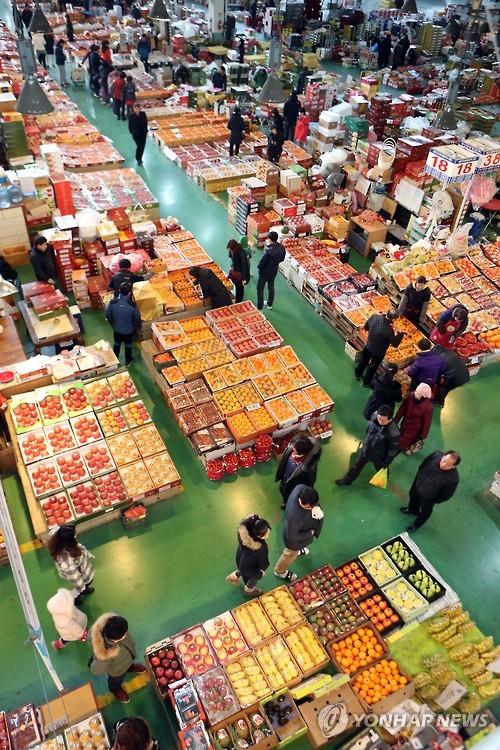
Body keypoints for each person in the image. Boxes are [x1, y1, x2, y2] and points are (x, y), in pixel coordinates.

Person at [335, 405, 400, 486]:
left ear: (390, 419)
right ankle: (347, 481)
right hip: (366, 450)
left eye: (383, 420)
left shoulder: (394, 433)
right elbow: (368, 429)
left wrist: (387, 462)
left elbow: (393, 450)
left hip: (378, 456)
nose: (380, 421)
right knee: (356, 466)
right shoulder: (375, 415)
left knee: (381, 468)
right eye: (379, 418)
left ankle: (385, 475)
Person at [90, 614, 146, 703]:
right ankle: (115, 689)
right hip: (117, 671)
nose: (127, 632)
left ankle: (130, 667)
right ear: (118, 638)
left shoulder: (116, 624)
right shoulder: (105, 654)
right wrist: (98, 660)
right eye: (125, 633)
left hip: (128, 657)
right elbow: (95, 670)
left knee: (128, 663)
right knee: (115, 681)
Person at [401, 451, 460, 532]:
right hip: (418, 484)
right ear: (443, 456)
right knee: (413, 496)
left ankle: (416, 525)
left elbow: (446, 495)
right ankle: (412, 510)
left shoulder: (453, 479)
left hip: (429, 497)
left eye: (448, 465)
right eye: (444, 460)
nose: (443, 465)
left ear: (453, 466)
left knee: (425, 511)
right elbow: (423, 464)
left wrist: (434, 500)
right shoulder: (435, 455)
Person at [274, 486, 324, 582]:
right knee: (289, 554)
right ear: (303, 503)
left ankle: (298, 551)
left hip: (301, 533)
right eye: (310, 507)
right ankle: (279, 571)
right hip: (294, 542)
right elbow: (292, 537)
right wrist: (310, 533)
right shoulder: (294, 517)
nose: (312, 508)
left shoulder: (300, 488)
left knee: (295, 551)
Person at [47, 525, 95, 605]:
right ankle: (76, 599)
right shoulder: (67, 561)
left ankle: (84, 589)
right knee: (80, 589)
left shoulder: (59, 538)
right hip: (78, 574)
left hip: (80, 567)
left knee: (86, 583)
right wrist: (81, 587)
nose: (76, 535)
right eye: (74, 535)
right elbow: (75, 577)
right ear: (69, 541)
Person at [354, 310, 404, 386]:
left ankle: (357, 374)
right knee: (372, 367)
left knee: (363, 360)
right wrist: (400, 334)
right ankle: (366, 382)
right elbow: (395, 344)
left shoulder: (374, 317)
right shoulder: (389, 330)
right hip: (378, 352)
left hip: (368, 345)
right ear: (393, 319)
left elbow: (366, 327)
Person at [226, 514, 271, 597]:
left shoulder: (245, 533)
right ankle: (249, 590)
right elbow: (263, 563)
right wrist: (260, 573)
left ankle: (235, 575)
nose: (267, 534)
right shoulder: (260, 549)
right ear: (257, 535)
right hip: (251, 566)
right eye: (265, 534)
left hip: (240, 555)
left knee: (243, 568)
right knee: (252, 576)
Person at [275, 434, 321, 508]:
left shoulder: (310, 466)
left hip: (295, 485)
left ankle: (288, 503)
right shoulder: (291, 450)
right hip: (285, 478)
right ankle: (285, 501)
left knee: (291, 495)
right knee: (283, 490)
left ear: (302, 452)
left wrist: (304, 493)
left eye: (295, 448)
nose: (292, 448)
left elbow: (310, 481)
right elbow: (283, 463)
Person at [105, 282, 142, 366]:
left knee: (116, 343)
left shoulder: (112, 303)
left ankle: (115, 359)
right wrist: (137, 329)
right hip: (129, 330)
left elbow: (108, 315)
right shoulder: (132, 306)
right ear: (130, 293)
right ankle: (128, 361)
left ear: (119, 290)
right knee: (128, 345)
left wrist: (113, 324)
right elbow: (137, 319)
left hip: (117, 329)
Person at [395, 383, 433, 455]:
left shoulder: (428, 407)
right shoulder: (411, 395)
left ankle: (397, 450)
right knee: (401, 435)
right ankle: (403, 447)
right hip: (405, 423)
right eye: (416, 391)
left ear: (424, 396)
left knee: (402, 442)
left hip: (414, 430)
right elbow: (403, 408)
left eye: (418, 393)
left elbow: (427, 423)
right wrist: (396, 420)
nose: (415, 394)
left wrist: (422, 436)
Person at [256, 231, 285, 310]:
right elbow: (282, 258)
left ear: (270, 239)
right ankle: (269, 304)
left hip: (264, 272)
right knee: (271, 286)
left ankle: (260, 307)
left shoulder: (268, 251)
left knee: (260, 288)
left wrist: (259, 267)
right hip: (274, 271)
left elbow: (262, 262)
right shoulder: (281, 248)